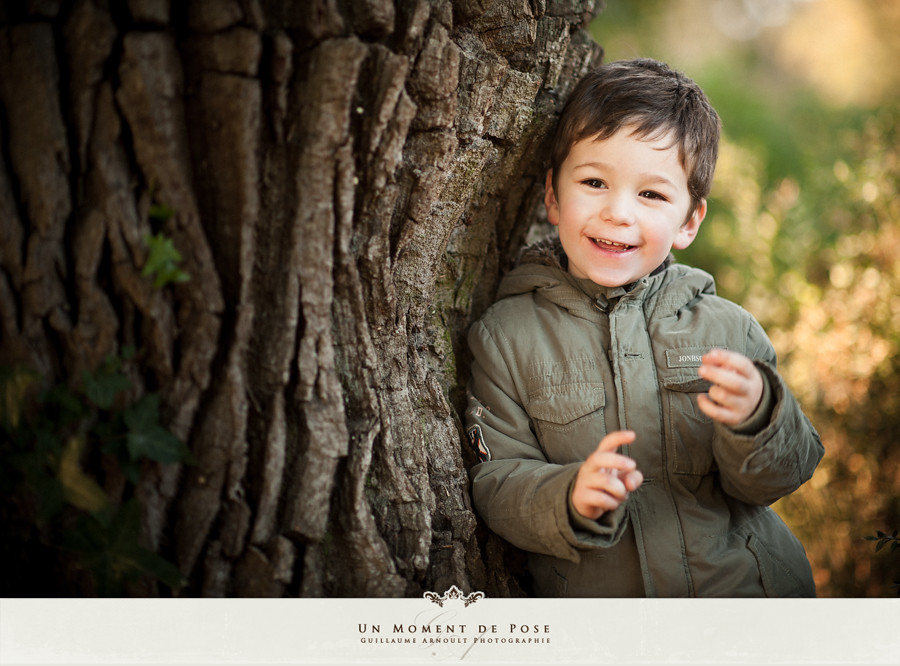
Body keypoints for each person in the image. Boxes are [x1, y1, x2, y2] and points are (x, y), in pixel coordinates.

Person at [464, 58, 824, 597]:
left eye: (651, 194)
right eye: (593, 182)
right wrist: (568, 496)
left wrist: (759, 417)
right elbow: (497, 482)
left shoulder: (729, 330)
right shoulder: (507, 337)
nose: (618, 212)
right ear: (553, 198)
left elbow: (780, 476)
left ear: (689, 221)